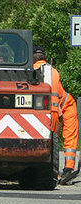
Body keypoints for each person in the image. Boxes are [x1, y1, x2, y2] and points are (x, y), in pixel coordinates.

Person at [33, 45, 79, 185]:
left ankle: (58, 170)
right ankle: (68, 169)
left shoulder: (31, 71)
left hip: (54, 109)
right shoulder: (53, 71)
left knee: (50, 141)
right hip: (65, 105)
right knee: (68, 138)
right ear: (44, 57)